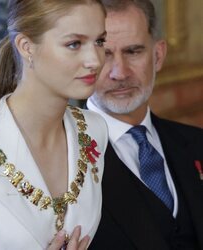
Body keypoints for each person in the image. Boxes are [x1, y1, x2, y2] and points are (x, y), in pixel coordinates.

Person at [0, 0, 108, 249]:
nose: (95, 60)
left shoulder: (93, 130)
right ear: (26, 47)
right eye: (74, 44)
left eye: (99, 41)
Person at [87, 0, 203, 249]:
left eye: (133, 51)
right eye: (105, 54)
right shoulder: (59, 163)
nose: (120, 72)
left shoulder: (197, 143)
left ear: (158, 55)